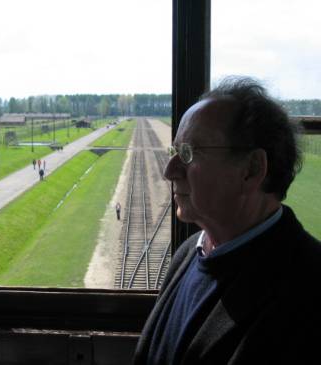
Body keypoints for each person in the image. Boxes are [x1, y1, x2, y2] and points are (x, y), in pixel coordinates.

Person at [133, 76, 320, 365]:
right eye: (174, 151)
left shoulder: (308, 291)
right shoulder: (189, 253)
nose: (169, 171)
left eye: (188, 153)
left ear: (252, 169)